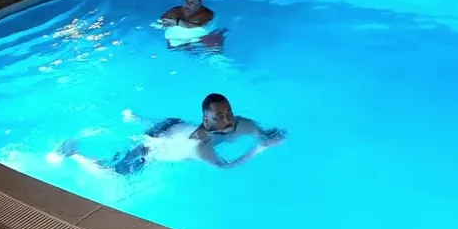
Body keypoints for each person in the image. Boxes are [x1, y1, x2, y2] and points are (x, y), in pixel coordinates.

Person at [53, 93, 285, 175]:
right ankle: (73, 153)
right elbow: (225, 167)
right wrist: (259, 149)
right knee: (113, 172)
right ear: (206, 120)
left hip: (173, 125)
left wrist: (266, 137)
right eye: (219, 117)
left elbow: (262, 132)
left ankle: (133, 117)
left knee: (161, 125)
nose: (227, 120)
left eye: (229, 113)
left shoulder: (241, 123)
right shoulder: (201, 147)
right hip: (153, 147)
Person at [161, 0, 227, 52]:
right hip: (187, 39)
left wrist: (175, 21)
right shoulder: (178, 10)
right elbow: (164, 17)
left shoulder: (206, 14)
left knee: (214, 46)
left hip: (201, 36)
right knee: (171, 45)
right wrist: (165, 22)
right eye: (186, 1)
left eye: (192, 2)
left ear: (200, 2)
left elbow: (191, 26)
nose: (187, 5)